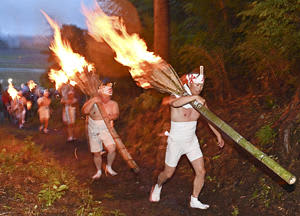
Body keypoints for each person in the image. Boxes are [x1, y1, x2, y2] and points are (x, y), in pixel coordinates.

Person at [149, 68, 225, 209]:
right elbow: (174, 103)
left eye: (201, 85)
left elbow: (209, 119)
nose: (200, 88)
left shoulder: (200, 101)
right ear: (190, 83)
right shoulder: (177, 95)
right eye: (197, 85)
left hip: (191, 141)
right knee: (168, 174)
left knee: (201, 171)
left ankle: (194, 199)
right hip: (176, 142)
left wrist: (218, 134)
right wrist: (194, 98)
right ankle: (158, 186)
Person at [81, 82, 119, 179]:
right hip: (93, 128)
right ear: (100, 94)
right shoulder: (93, 101)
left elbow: (116, 114)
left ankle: (109, 167)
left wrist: (110, 117)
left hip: (106, 128)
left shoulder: (113, 103)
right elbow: (84, 111)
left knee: (112, 149)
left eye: (109, 96)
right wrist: (93, 101)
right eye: (105, 96)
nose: (107, 98)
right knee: (96, 153)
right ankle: (98, 171)